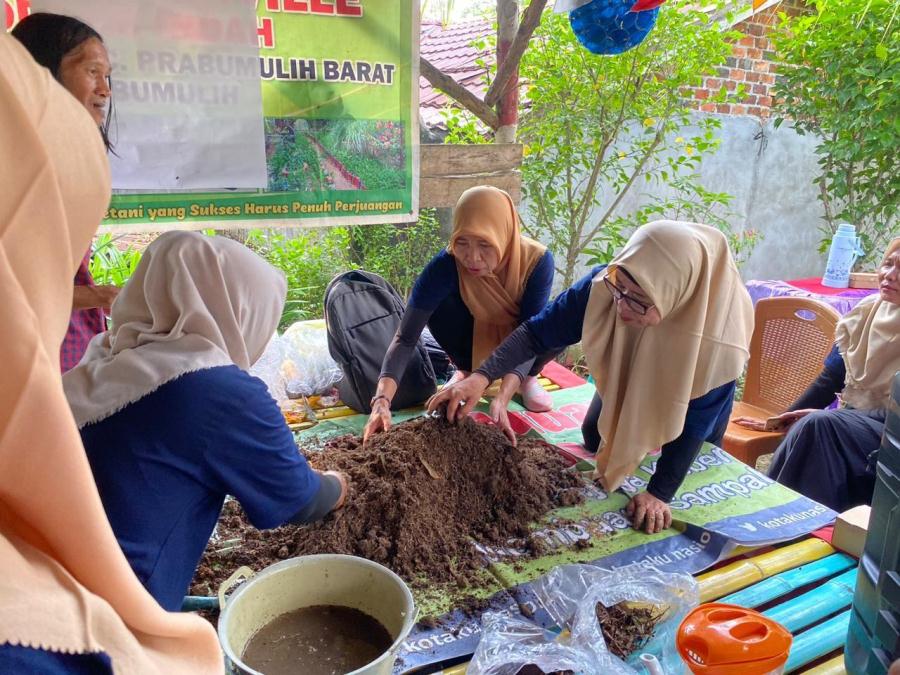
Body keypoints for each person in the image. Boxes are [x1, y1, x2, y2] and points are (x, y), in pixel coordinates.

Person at [0, 33, 222, 673]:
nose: (105, 87)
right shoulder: (212, 388)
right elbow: (291, 496)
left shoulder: (106, 370)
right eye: (90, 70)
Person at [63, 230, 350, 611]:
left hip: (44, 586)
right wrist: (337, 484)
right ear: (238, 310)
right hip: (114, 618)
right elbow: (298, 500)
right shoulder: (218, 390)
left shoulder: (99, 361)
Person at [429, 221, 754, 534]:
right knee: (595, 435)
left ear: (674, 295)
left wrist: (659, 493)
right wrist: (482, 377)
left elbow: (698, 417)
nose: (622, 307)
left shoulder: (718, 338)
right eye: (620, 289)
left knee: (690, 449)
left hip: (693, 401)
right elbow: (536, 333)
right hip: (637, 367)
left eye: (639, 302)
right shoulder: (608, 286)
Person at [364, 185, 556, 441]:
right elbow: (405, 337)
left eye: (485, 244)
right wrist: (381, 400)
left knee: (556, 323)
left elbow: (529, 334)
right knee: (436, 306)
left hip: (523, 345)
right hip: (475, 338)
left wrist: (502, 398)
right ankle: (466, 370)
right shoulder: (447, 264)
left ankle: (527, 378)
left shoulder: (537, 262)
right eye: (462, 242)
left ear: (504, 235)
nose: (472, 257)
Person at [734, 238, 900, 512]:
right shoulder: (868, 312)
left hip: (892, 430)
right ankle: (771, 515)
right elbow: (830, 379)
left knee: (820, 425)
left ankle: (792, 520)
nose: (890, 275)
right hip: (858, 423)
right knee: (806, 427)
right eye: (888, 264)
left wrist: (837, 417)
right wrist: (780, 421)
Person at [12, 12, 120, 372]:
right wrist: (98, 296)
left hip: (68, 350)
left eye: (107, 76)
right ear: (43, 73)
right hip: (26, 356)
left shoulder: (66, 158)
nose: (105, 89)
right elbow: (15, 281)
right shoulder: (16, 165)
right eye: (92, 72)